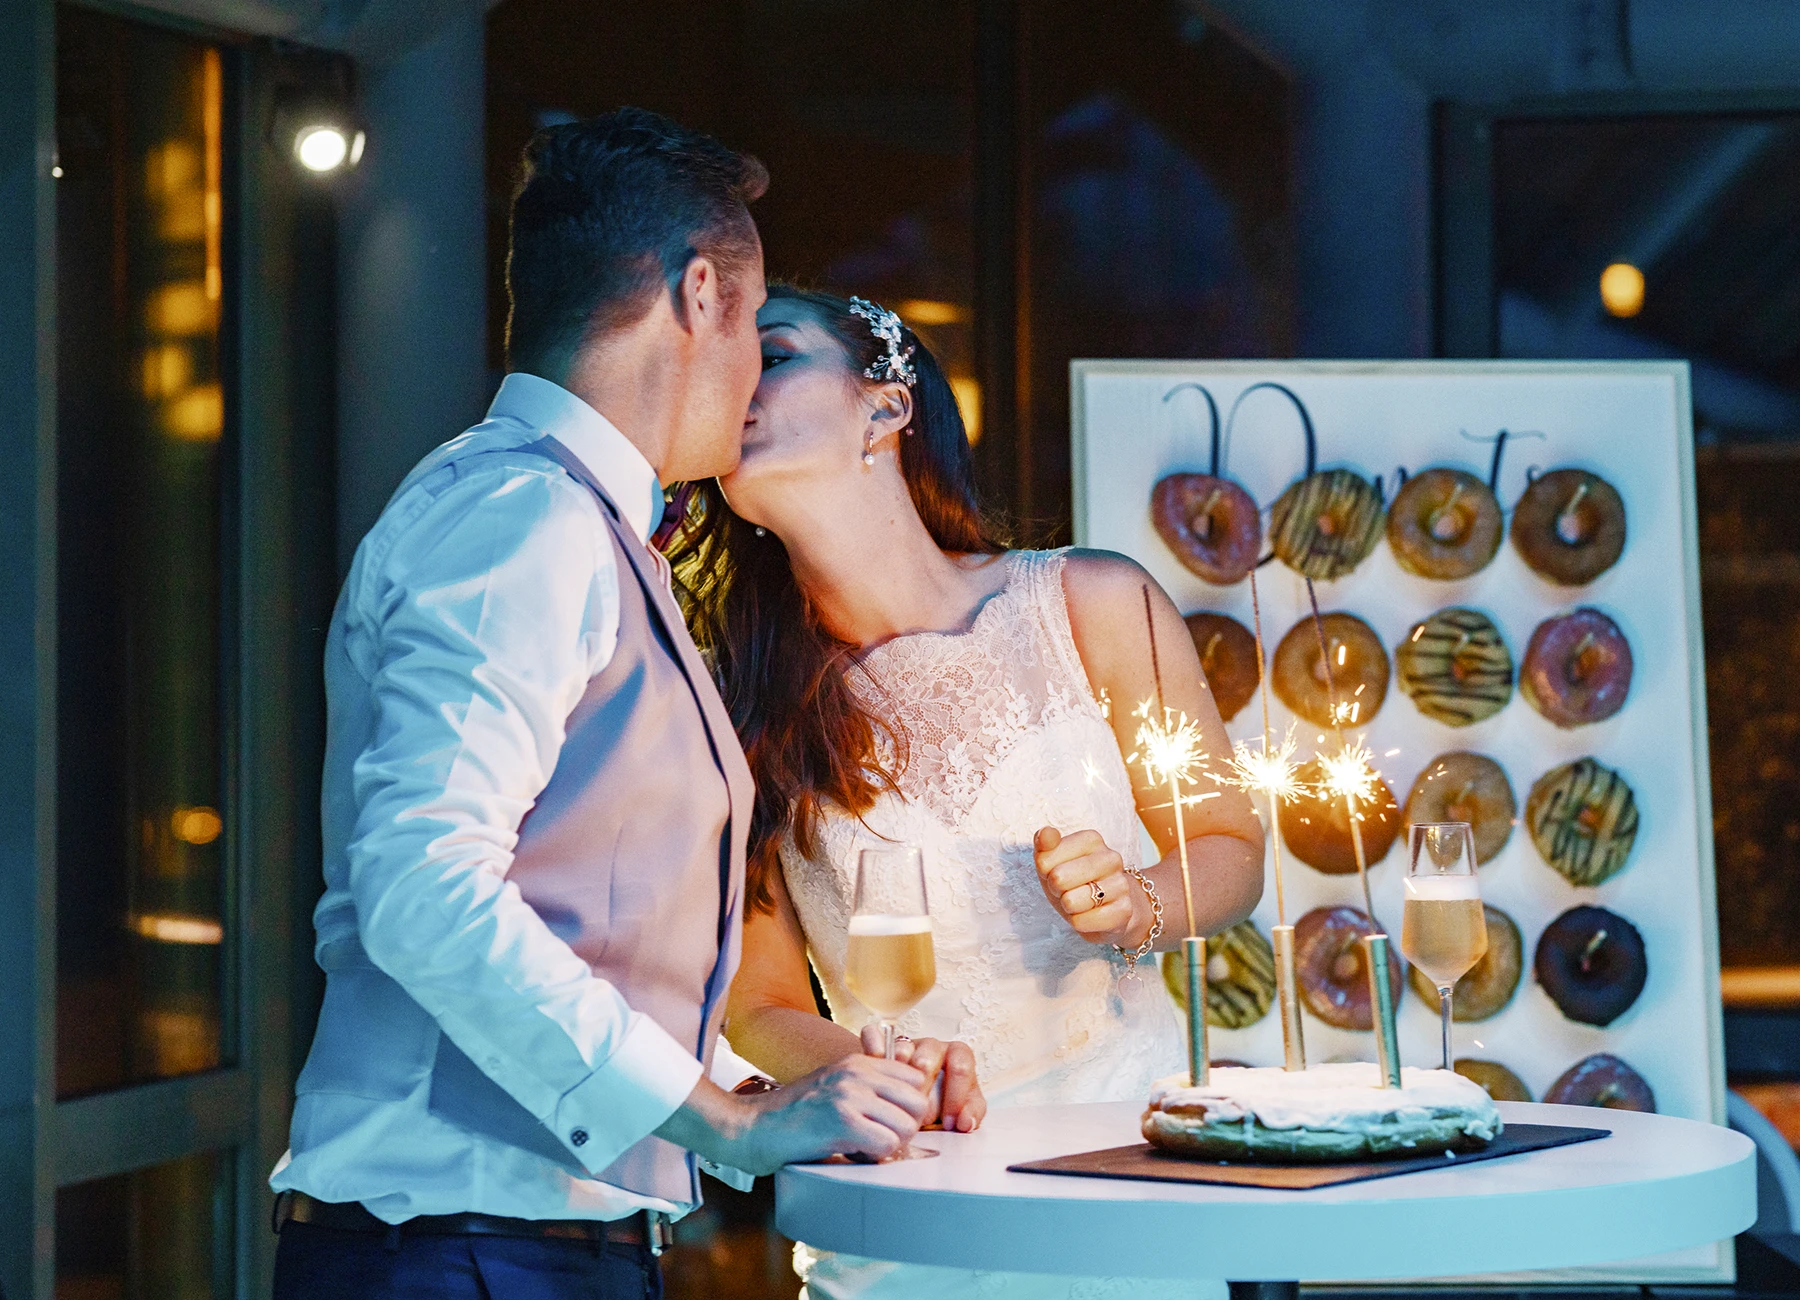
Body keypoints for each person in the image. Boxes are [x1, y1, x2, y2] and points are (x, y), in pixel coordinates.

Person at [269, 112, 954, 1300]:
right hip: (457, 1248)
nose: (747, 380)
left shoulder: (577, 523)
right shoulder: (520, 518)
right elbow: (421, 883)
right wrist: (722, 1122)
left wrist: (774, 1089)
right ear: (701, 296)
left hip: (522, 1246)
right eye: (754, 329)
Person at [670, 286, 1267, 1299]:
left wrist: (1140, 901)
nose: (739, 388)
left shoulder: (1094, 601)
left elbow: (1231, 846)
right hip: (908, 1208)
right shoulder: (737, 703)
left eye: (773, 355)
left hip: (1128, 1177)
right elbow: (758, 1001)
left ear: (886, 406)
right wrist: (869, 1070)